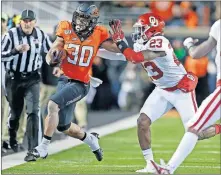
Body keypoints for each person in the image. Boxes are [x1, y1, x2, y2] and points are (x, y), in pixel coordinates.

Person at [25, 3, 129, 162]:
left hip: (81, 83)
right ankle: (91, 140)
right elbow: (55, 48)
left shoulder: (99, 33)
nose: (80, 22)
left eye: (85, 19)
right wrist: (51, 58)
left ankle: (44, 147)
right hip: (64, 79)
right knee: (64, 126)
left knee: (52, 105)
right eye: (79, 18)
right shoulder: (65, 27)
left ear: (93, 21)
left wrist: (120, 39)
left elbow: (119, 50)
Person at [109, 13, 199, 173]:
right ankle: (150, 164)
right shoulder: (140, 43)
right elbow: (120, 54)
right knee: (142, 122)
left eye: (142, 29)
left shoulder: (160, 42)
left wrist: (120, 42)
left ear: (152, 29)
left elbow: (135, 58)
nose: (138, 32)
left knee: (197, 131)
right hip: (162, 90)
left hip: (181, 90)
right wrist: (95, 49)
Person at [150, 19, 221, 174]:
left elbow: (196, 53)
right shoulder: (217, 26)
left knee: (194, 127)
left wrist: (188, 44)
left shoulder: (218, 25)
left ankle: (168, 169)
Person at [1, 10, 51, 158]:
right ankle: (12, 137)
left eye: (30, 20)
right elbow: (1, 55)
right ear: (20, 22)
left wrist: (57, 63)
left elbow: (51, 51)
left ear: (35, 22)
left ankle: (33, 149)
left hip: (32, 78)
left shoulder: (41, 35)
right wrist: (15, 51)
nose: (27, 23)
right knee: (15, 115)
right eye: (25, 20)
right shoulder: (10, 35)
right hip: (14, 78)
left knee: (33, 111)